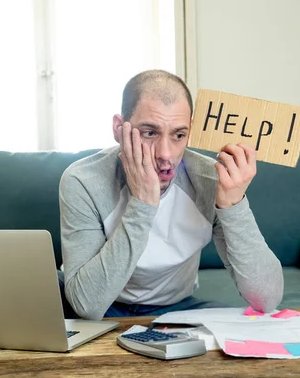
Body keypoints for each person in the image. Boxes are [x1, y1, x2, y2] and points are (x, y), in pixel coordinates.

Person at [58, 70, 283, 320]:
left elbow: (267, 299)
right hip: (100, 303)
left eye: (178, 135)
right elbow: (87, 305)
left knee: (245, 327)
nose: (165, 154)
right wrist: (142, 203)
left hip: (177, 307)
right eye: (150, 133)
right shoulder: (83, 180)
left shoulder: (210, 181)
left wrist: (234, 205)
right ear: (119, 129)